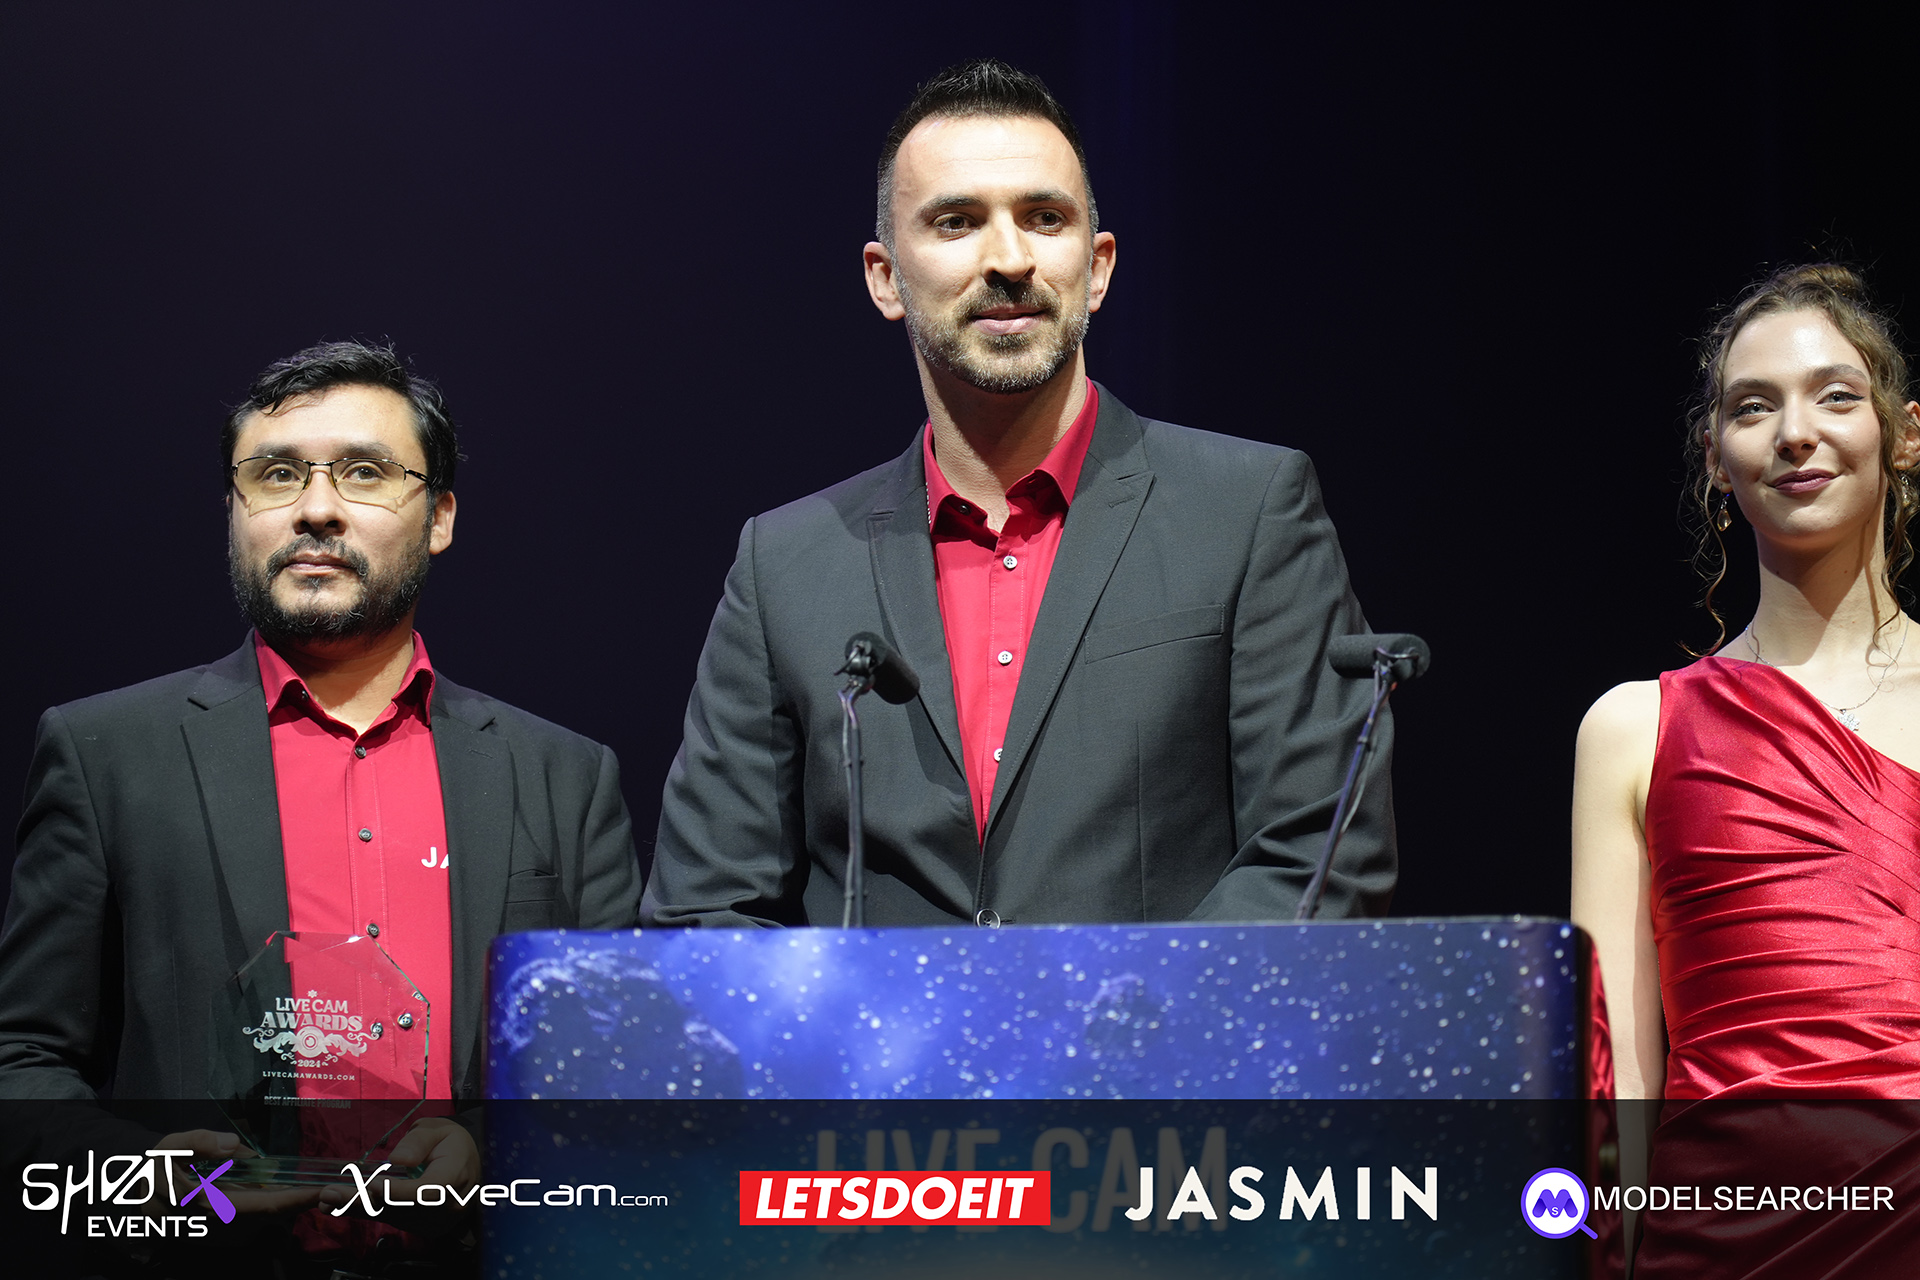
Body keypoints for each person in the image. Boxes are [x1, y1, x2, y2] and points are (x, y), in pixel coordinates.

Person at [642, 59, 1394, 929]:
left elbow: (1315, 858)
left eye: (1044, 218)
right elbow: (708, 911)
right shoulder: (785, 567)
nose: (1009, 259)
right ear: (885, 277)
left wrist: (1106, 1015)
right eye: (957, 222)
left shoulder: (1248, 511)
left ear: (1098, 267)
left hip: (1159, 1025)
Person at [0, 342, 642, 1238]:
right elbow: (23, 1057)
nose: (315, 508)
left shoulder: (562, 776)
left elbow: (617, 1067)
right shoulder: (108, 755)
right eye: (275, 475)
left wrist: (492, 1148)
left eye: (365, 473)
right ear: (234, 512)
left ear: (440, 516)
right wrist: (136, 1178)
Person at [1571, 263, 1920, 1102]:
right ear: (1715, 457)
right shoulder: (1635, 731)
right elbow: (1611, 1084)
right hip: (1723, 1187)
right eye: (1754, 407)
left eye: (1836, 397)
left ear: (1905, 435)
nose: (1795, 433)